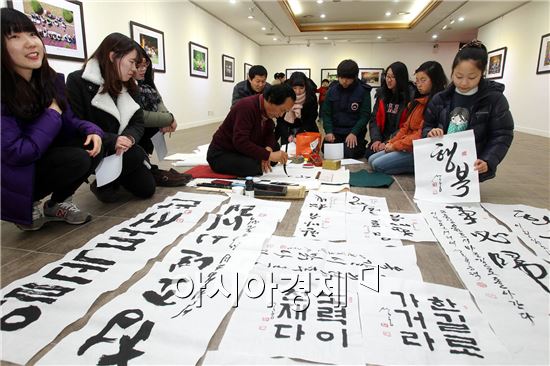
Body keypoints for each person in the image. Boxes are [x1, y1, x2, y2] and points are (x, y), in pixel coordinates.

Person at [1, 8, 103, 230]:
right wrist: (51, 114)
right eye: (15, 37)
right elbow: (16, 152)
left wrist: (92, 130)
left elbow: (69, 120)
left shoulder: (50, 80)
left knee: (95, 144)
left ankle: (58, 203)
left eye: (32, 34)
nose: (30, 43)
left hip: (41, 157)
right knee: (77, 158)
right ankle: (26, 204)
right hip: (14, 171)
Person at [66, 32, 156, 202]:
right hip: (96, 148)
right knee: (136, 155)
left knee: (146, 189)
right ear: (113, 56)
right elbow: (75, 123)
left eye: (136, 64)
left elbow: (138, 122)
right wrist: (112, 140)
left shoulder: (131, 87)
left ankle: (111, 178)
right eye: (131, 62)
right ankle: (104, 181)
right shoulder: (77, 81)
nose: (134, 70)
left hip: (122, 150)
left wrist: (129, 137)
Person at [422, 40, 514, 182]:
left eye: (472, 77)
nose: (464, 83)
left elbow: (502, 135)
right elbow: (427, 125)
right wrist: (430, 132)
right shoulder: (441, 98)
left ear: (482, 74)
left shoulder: (494, 100)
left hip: (471, 166)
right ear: (452, 71)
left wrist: (488, 160)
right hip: (441, 161)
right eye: (458, 76)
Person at [369, 61, 448, 175]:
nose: (419, 84)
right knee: (372, 159)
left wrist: (394, 146)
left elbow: (420, 134)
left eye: (423, 80)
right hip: (403, 143)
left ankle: (420, 167)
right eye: (417, 80)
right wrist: (391, 143)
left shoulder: (435, 103)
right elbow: (405, 127)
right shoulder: (416, 101)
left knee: (377, 165)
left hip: (418, 149)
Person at [208, 84, 296, 177]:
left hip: (241, 149)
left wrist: (268, 150)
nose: (281, 115)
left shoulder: (267, 109)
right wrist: (268, 155)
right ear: (271, 100)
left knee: (275, 149)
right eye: (282, 110)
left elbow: (269, 133)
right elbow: (240, 142)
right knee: (254, 166)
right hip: (222, 153)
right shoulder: (246, 107)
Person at [133, 45, 190, 187]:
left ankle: (144, 160)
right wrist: (169, 118)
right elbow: (140, 116)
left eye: (145, 65)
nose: (143, 69)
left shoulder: (147, 84)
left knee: (156, 124)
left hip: (142, 130)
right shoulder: (128, 85)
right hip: (129, 134)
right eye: (138, 65)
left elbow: (159, 102)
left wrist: (168, 118)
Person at [366, 61, 417, 159]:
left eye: (393, 77)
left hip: (399, 140)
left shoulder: (410, 97)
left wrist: (388, 143)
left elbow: (406, 127)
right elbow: (374, 120)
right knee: (370, 154)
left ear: (401, 78)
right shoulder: (382, 95)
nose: (389, 80)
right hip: (381, 138)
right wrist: (376, 140)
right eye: (387, 76)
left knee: (379, 158)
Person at [322, 59, 371, 158]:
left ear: (354, 77)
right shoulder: (331, 90)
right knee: (327, 151)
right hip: (336, 132)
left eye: (348, 78)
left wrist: (354, 133)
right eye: (342, 78)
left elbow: (365, 116)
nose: (344, 81)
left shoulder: (363, 91)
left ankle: (361, 144)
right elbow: (326, 114)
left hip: (353, 132)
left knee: (349, 153)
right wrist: (329, 131)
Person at [275, 71, 319, 145]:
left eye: (301, 88)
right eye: (294, 88)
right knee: (289, 154)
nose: (298, 92)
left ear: (306, 86)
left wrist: (299, 134)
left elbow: (312, 117)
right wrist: (288, 135)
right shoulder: (284, 96)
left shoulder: (311, 96)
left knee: (307, 154)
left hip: (307, 131)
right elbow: (280, 120)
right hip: (288, 132)